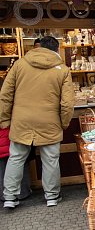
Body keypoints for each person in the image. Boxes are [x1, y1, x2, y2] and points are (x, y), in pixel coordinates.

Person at [0, 36, 75, 209]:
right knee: (50, 160)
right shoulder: (62, 70)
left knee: (16, 158)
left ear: (38, 47)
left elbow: (5, 95)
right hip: (49, 121)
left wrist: (4, 120)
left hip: (21, 120)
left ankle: (10, 197)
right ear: (56, 50)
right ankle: (51, 197)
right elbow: (67, 103)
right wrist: (63, 123)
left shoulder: (20, 64)